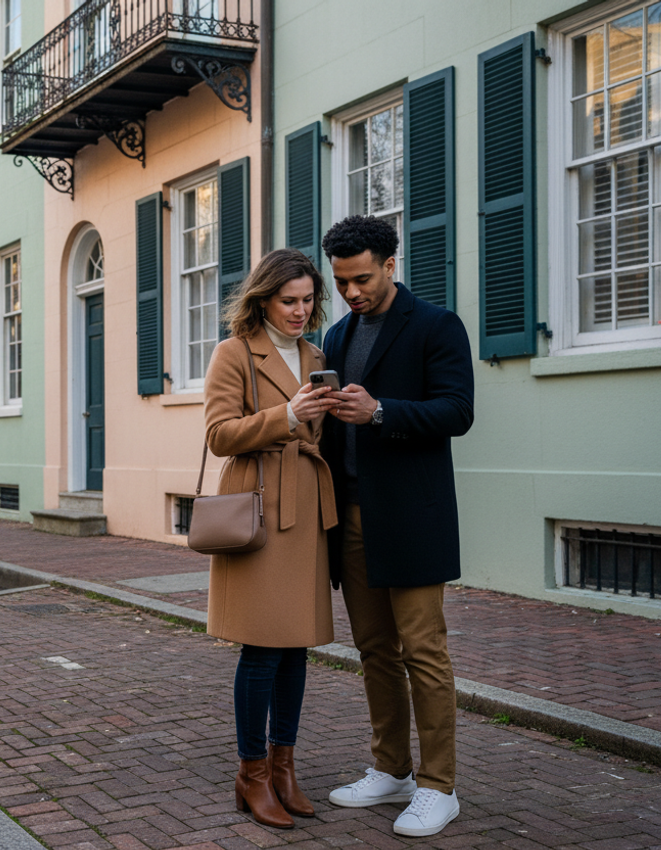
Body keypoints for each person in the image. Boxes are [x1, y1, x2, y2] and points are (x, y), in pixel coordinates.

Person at [318, 215, 474, 838]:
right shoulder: (334, 334)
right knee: (374, 650)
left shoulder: (437, 325)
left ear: (389, 264)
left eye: (360, 279)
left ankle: (440, 787)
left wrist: (381, 411)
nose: (351, 293)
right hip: (350, 515)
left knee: (424, 651)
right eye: (341, 282)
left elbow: (458, 411)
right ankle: (392, 770)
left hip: (412, 515)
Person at [204, 248, 339, 830]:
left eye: (309, 300)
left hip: (306, 508)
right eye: (289, 301)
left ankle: (285, 767)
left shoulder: (317, 355)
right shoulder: (233, 353)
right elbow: (219, 434)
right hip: (259, 511)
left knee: (297, 646)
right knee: (261, 649)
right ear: (263, 298)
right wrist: (287, 416)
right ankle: (251, 773)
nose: (300, 311)